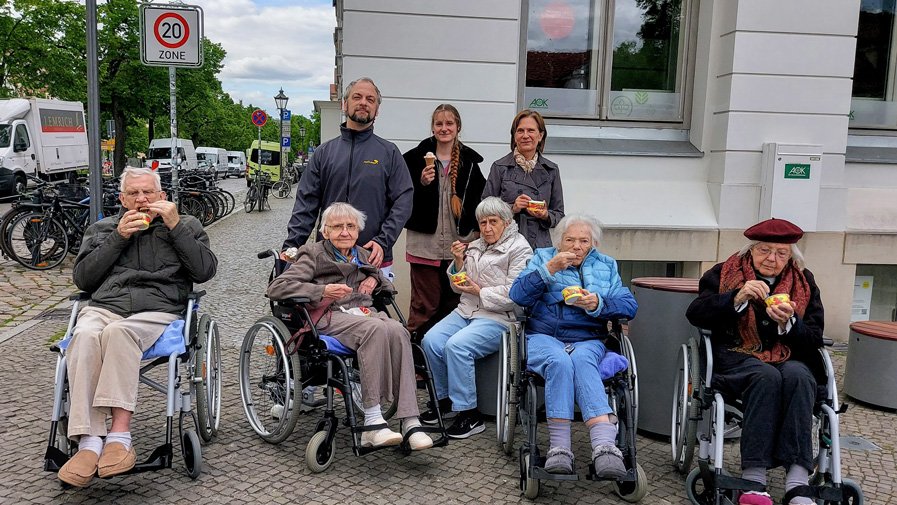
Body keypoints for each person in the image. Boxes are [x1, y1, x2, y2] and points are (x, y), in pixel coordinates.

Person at [58, 167, 218, 487]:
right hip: (106, 306)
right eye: (133, 193)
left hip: (158, 309)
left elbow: (204, 271)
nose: (142, 199)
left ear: (162, 196)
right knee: (84, 335)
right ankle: (89, 442)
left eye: (148, 192)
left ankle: (119, 437)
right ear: (122, 199)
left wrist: (175, 226)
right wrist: (118, 237)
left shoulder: (185, 224)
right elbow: (84, 280)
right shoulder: (103, 228)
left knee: (119, 333)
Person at [267, 202, 433, 451]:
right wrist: (322, 290)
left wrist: (373, 279)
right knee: (375, 329)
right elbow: (277, 287)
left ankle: (410, 421)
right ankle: (373, 421)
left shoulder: (363, 255)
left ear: (358, 230)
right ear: (325, 231)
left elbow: (387, 285)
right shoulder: (313, 254)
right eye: (337, 227)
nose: (345, 232)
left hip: (364, 313)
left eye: (350, 226)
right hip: (330, 315)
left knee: (399, 330)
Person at [686, 218, 824, 505]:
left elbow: (814, 337)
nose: (772, 259)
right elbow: (696, 313)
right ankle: (754, 478)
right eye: (764, 250)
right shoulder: (723, 273)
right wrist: (736, 298)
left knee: (799, 377)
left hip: (788, 357)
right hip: (737, 357)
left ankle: (798, 481)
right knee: (766, 377)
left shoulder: (804, 281)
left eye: (781, 253)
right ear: (750, 250)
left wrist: (789, 323)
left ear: (791, 256)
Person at [509, 214, 637, 476]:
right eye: (570, 240)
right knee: (559, 361)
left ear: (593, 244)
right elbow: (517, 295)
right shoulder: (543, 258)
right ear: (559, 242)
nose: (577, 246)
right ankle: (559, 449)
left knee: (581, 360)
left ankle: (604, 447)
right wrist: (549, 270)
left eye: (584, 241)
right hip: (545, 336)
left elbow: (629, 306)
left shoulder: (606, 265)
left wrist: (598, 304)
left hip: (588, 337)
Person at [421, 197, 532, 438]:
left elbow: (516, 294)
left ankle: (469, 414)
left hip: (500, 317)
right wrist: (458, 262)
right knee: (430, 341)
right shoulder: (475, 245)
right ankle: (445, 400)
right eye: (483, 223)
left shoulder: (520, 248)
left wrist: (480, 291)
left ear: (506, 222)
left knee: (457, 346)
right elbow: (457, 286)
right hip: (467, 310)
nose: (487, 228)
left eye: (493, 222)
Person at [283, 77, 413, 279]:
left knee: (372, 302)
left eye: (370, 99)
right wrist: (291, 247)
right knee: (326, 301)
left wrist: (383, 241)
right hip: (327, 257)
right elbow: (306, 205)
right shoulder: (324, 153)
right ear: (344, 104)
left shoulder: (389, 153)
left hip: (373, 257)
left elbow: (403, 201)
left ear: (377, 110)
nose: (363, 102)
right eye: (357, 97)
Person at [403, 104, 487, 338]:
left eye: (449, 123)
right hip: (424, 246)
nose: (444, 128)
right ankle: (416, 355)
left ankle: (446, 352)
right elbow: (399, 197)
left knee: (454, 306)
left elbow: (480, 200)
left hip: (458, 247)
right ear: (432, 127)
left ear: (458, 127)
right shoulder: (412, 159)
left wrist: (477, 234)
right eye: (439, 123)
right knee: (423, 307)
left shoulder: (470, 162)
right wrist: (420, 183)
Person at [482, 109, 564, 249]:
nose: (525, 136)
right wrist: (512, 208)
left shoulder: (551, 170)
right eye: (520, 131)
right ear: (514, 136)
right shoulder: (500, 167)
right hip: (506, 244)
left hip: (539, 245)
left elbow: (559, 215)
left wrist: (545, 215)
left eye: (531, 130)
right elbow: (485, 209)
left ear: (540, 135)